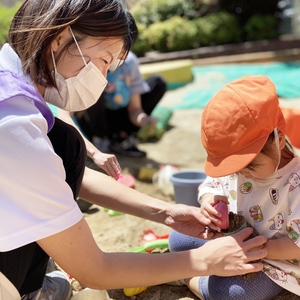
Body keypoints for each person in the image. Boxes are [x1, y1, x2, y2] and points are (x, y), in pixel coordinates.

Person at [0, 1, 268, 299]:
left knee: (65, 144)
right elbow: (94, 270)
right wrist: (204, 260)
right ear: (61, 38)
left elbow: (48, 177)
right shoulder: (12, 123)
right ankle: (23, 290)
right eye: (103, 60)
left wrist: (166, 213)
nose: (103, 78)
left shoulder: (12, 78)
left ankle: (27, 281)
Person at [169, 75, 300, 299]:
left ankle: (190, 279)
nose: (242, 173)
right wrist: (209, 199)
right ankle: (204, 269)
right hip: (229, 241)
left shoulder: (295, 183)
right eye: (234, 168)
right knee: (177, 239)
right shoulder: (241, 166)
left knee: (233, 294)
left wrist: (256, 249)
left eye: (249, 166)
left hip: (273, 262)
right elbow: (213, 184)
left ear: (278, 139)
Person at [75, 50, 167, 158]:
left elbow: (135, 109)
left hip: (119, 113)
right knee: (95, 87)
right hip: (96, 118)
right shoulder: (92, 59)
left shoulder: (129, 61)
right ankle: (100, 139)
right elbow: (78, 111)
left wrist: (144, 120)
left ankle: (122, 137)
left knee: (158, 82)